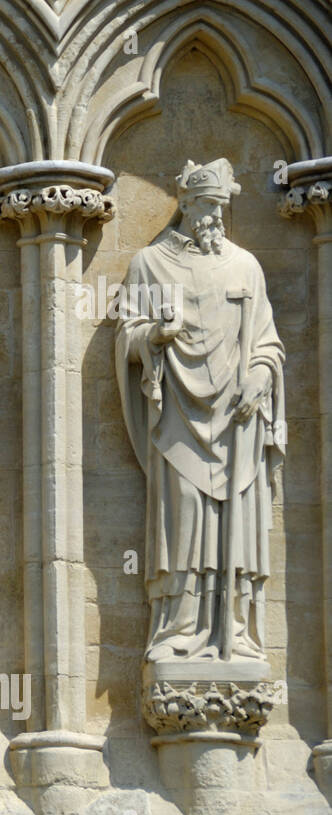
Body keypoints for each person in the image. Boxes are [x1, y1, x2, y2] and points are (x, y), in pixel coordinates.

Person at [115, 158, 285, 662]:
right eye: (206, 205)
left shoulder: (244, 266)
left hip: (237, 420)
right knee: (185, 515)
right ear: (185, 204)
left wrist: (258, 378)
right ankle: (179, 626)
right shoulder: (150, 264)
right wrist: (154, 336)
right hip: (178, 418)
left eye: (221, 207)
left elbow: (267, 344)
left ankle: (234, 624)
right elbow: (127, 334)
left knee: (234, 516)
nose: (215, 216)